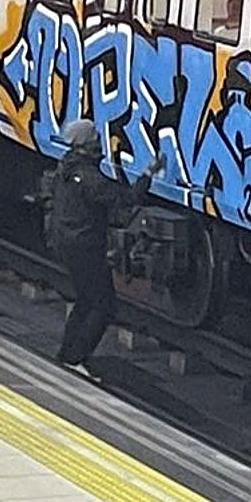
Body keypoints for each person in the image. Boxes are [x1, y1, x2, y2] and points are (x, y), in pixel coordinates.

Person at [48, 119, 164, 378]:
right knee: (103, 305)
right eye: (96, 138)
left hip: (68, 242)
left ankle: (67, 354)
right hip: (86, 247)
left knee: (85, 300)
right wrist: (148, 174)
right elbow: (127, 198)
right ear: (88, 144)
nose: (99, 142)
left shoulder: (66, 168)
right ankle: (75, 357)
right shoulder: (91, 179)